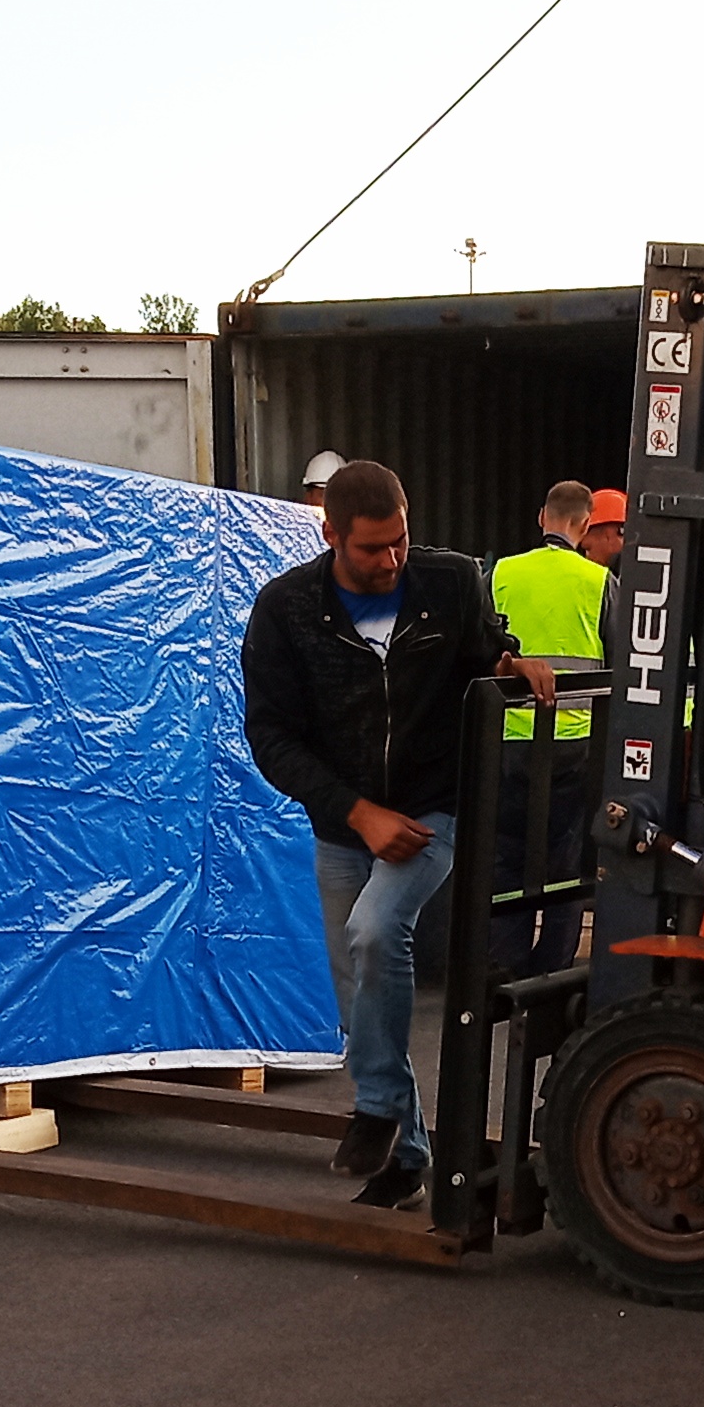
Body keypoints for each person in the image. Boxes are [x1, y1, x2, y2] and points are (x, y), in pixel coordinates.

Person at [240, 458, 557, 1202]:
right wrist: (358, 813)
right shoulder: (287, 610)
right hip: (345, 821)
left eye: (400, 542)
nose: (390, 561)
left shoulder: (448, 582)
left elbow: (482, 645)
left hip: (433, 806)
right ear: (331, 535)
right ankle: (409, 1154)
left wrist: (513, 660)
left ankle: (378, 1108)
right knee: (358, 993)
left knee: (378, 930)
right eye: (372, 548)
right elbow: (272, 737)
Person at [485, 482, 612, 980]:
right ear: (585, 524)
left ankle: (504, 967)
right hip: (574, 744)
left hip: (505, 740)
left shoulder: (501, 572)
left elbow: (479, 649)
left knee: (504, 859)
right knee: (566, 864)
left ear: (542, 516)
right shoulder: (599, 582)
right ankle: (553, 976)